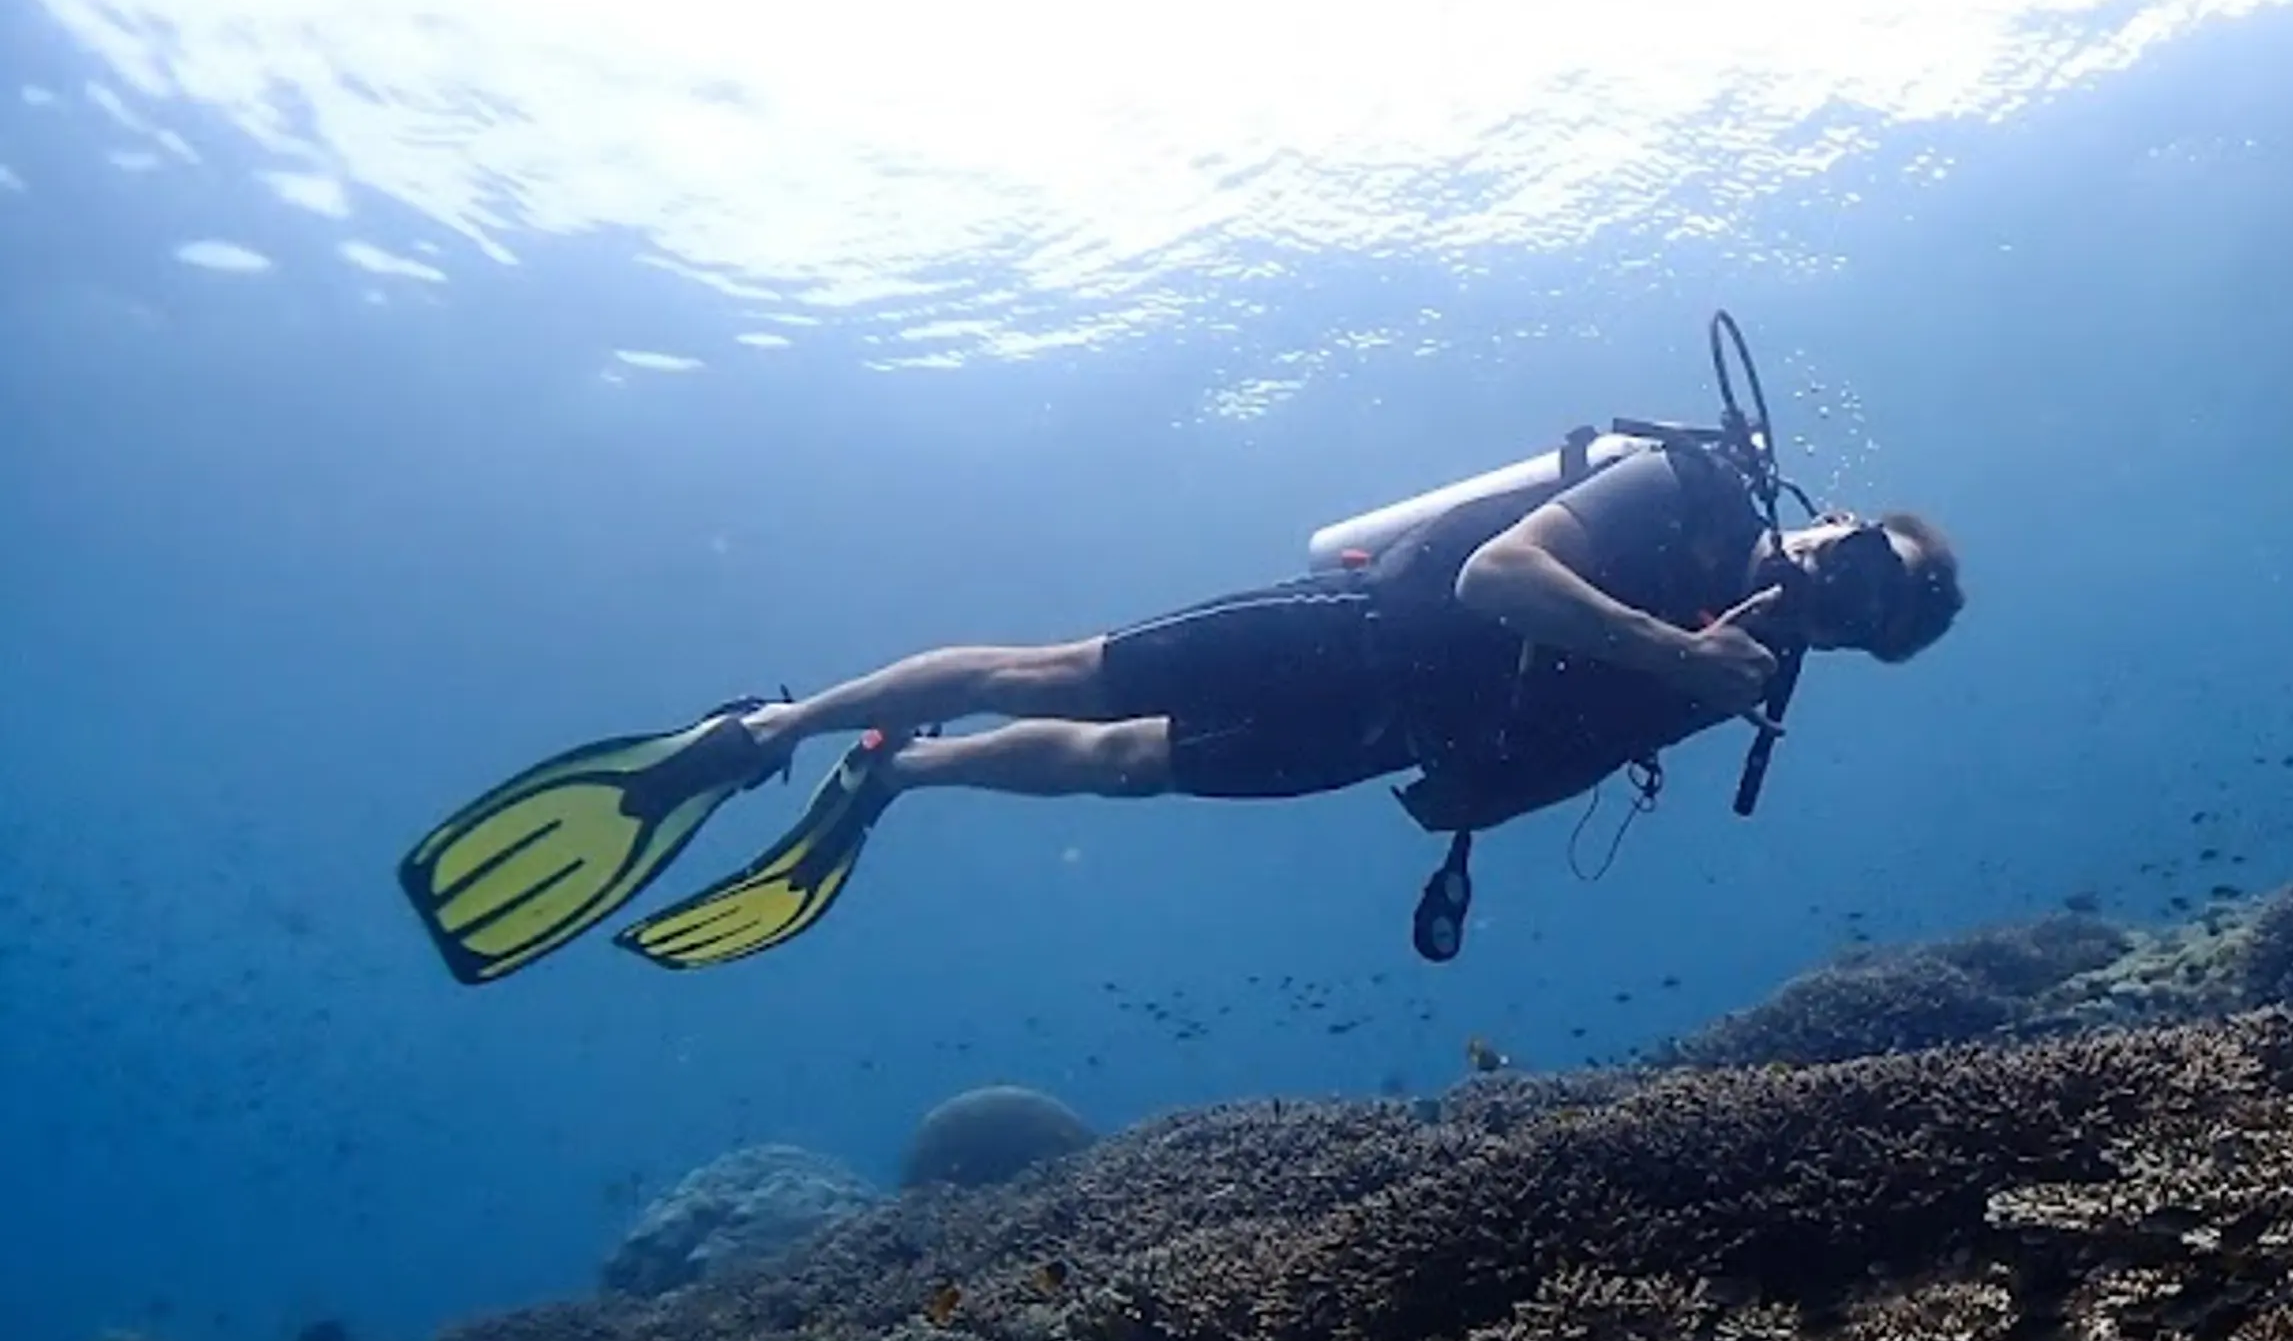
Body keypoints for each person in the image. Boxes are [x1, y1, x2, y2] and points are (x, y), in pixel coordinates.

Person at [398, 430, 1964, 983]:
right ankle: (764, 732)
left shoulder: (1750, 673)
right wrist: (1676, 654)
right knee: (1054, 671)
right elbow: (1497, 577)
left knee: (1114, 773)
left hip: (1381, 743)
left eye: (1867, 614)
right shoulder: (1688, 483)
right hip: (1351, 639)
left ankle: (893, 780)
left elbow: (1571, 747)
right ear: (1832, 519)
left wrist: (1682, 687)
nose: (1837, 591)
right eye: (1854, 558)